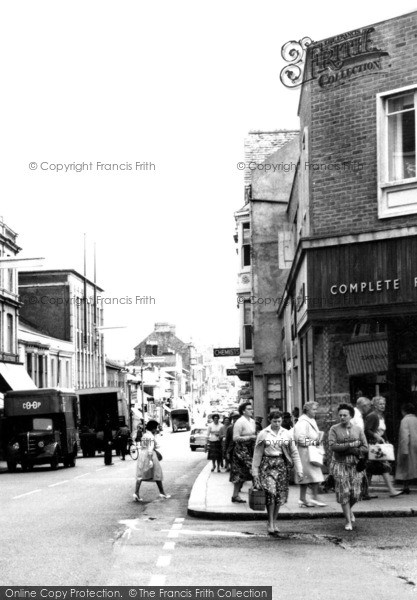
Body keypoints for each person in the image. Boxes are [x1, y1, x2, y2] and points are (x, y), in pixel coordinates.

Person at [252, 410, 303, 535]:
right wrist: (255, 472)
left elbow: (294, 452)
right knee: (270, 492)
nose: (277, 423)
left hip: (281, 465)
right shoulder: (263, 434)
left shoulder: (286, 434)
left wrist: (299, 470)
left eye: (279, 421)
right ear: (270, 420)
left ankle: (274, 521)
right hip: (267, 465)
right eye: (274, 421)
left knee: (279, 495)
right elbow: (257, 453)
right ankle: (269, 522)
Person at [328, 403, 368, 531]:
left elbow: (365, 447)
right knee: (344, 492)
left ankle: (349, 510)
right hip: (340, 465)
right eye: (340, 415)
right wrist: (351, 446)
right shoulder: (334, 429)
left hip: (355, 465)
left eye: (345, 415)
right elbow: (333, 446)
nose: (342, 417)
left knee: (356, 493)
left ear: (351, 416)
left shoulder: (358, 429)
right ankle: (348, 521)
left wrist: (354, 449)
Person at [365, 395, 402, 497]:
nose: (383, 406)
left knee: (373, 469)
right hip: (373, 446)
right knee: (379, 468)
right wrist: (376, 436)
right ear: (375, 405)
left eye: (383, 404)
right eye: (380, 404)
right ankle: (391, 490)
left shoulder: (381, 416)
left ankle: (365, 492)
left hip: (379, 446)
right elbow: (367, 430)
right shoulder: (373, 416)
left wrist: (386, 441)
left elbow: (382, 431)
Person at [293, 401, 327, 507]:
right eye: (314, 409)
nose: (316, 412)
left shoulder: (310, 420)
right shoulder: (302, 422)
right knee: (315, 477)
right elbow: (300, 439)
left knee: (307, 478)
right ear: (307, 410)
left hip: (310, 453)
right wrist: (314, 442)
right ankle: (314, 498)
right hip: (306, 454)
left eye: (316, 409)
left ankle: (302, 499)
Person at [133, 420, 171, 501]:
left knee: (140, 474)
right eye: (156, 427)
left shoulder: (144, 435)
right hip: (150, 456)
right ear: (153, 428)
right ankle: (162, 492)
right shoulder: (150, 437)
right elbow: (150, 448)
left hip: (142, 455)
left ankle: (136, 493)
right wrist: (150, 460)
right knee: (157, 473)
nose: (156, 429)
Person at [230, 402, 256, 503]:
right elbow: (235, 438)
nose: (251, 411)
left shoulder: (252, 421)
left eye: (251, 409)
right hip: (241, 450)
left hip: (251, 448)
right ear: (243, 411)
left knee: (253, 470)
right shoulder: (239, 422)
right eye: (249, 409)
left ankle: (255, 492)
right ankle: (235, 495)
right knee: (240, 472)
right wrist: (249, 437)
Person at [355, 396, 377, 500]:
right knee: (360, 469)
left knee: (361, 469)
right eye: (368, 406)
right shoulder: (356, 416)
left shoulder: (357, 415)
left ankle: (362, 492)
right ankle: (360, 492)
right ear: (364, 406)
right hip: (357, 446)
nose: (369, 408)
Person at [396, 403, 417, 494]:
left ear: (403, 411)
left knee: (405, 466)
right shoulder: (416, 419)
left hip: (409, 446)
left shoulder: (405, 420)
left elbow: (405, 436)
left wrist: (404, 450)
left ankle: (406, 486)